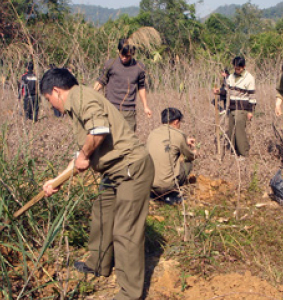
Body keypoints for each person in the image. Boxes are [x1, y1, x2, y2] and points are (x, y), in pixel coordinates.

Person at [39, 68, 154, 300]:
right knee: (102, 213)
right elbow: (84, 152)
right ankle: (98, 263)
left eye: (48, 100)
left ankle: (130, 294)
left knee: (126, 230)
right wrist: (57, 180)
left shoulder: (81, 97)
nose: (51, 105)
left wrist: (82, 155)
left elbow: (99, 131)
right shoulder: (78, 101)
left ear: (56, 91)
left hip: (131, 167)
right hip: (114, 171)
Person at [94, 38, 152, 132]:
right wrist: (91, 93)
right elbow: (101, 81)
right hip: (111, 109)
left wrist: (145, 106)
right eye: (122, 55)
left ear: (132, 54)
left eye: (127, 56)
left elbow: (141, 87)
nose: (124, 58)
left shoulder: (139, 67)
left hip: (129, 112)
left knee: (129, 142)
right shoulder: (111, 64)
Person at [146, 107, 198, 204]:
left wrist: (184, 141)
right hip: (166, 185)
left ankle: (154, 194)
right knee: (188, 163)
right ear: (176, 122)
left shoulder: (152, 134)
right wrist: (195, 152)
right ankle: (171, 194)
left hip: (150, 184)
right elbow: (190, 156)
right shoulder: (179, 134)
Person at [213, 57, 256, 159]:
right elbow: (226, 90)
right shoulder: (231, 77)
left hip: (242, 108)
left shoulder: (249, 78)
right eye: (235, 68)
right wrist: (218, 91)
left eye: (239, 69)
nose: (237, 70)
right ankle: (234, 151)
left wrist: (250, 111)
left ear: (244, 67)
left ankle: (243, 153)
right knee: (231, 130)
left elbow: (252, 96)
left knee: (239, 131)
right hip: (231, 107)